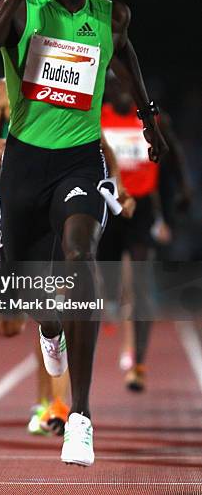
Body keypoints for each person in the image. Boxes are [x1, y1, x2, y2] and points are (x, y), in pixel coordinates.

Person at [0, 0, 167, 466]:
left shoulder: (110, 15)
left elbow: (128, 58)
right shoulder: (22, 10)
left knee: (80, 257)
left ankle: (80, 416)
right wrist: (11, 1)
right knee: (31, 299)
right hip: (24, 164)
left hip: (79, 161)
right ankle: (49, 329)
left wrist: (148, 119)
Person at [0, 78, 70, 436]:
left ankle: (54, 405)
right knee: (8, 324)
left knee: (49, 305)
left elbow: (94, 139)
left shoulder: (69, 76)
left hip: (54, 207)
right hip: (9, 210)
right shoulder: (0, 91)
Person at [100, 70, 192, 391]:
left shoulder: (154, 121)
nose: (123, 93)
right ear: (109, 90)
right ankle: (112, 305)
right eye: (116, 87)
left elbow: (175, 157)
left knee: (139, 283)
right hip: (109, 207)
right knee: (109, 288)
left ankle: (137, 363)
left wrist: (183, 192)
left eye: (129, 87)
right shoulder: (97, 118)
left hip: (140, 212)